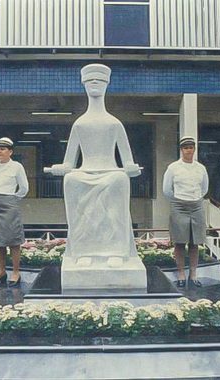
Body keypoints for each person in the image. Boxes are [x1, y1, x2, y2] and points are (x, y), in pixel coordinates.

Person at [49, 63, 142, 269]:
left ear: (106, 85)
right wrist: (61, 167)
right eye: (90, 81)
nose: (94, 84)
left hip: (111, 172)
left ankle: (116, 251)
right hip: (84, 172)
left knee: (119, 179)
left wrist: (131, 168)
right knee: (71, 180)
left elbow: (127, 161)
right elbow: (69, 162)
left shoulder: (114, 123)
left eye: (99, 81)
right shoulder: (79, 124)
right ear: (83, 85)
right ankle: (84, 250)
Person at [163, 136, 209, 288]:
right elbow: (167, 190)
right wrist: (179, 199)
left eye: (191, 147)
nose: (189, 150)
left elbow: (204, 188)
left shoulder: (200, 168)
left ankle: (193, 275)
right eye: (186, 148)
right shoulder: (173, 168)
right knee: (180, 242)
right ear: (181, 150)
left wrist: (194, 199)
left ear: (194, 149)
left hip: (196, 205)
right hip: (179, 206)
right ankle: (181, 274)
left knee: (195, 242)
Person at [0, 137, 29, 286]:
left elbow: (24, 188)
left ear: (10, 151)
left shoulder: (16, 166)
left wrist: (12, 200)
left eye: (3, 149)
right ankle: (1, 271)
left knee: (13, 240)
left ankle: (16, 272)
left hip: (9, 203)